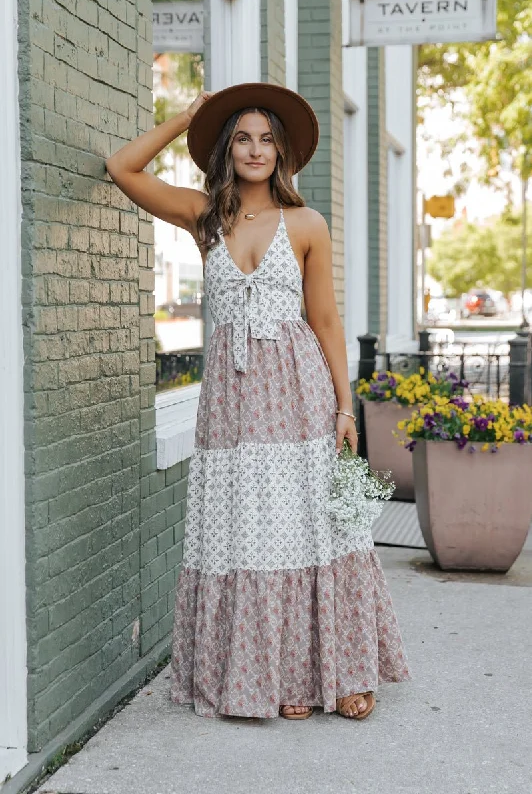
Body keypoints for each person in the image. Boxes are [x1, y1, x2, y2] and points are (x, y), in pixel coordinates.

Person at [106, 82, 410, 721]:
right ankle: (273, 677)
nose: (254, 149)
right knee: (247, 533)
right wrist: (185, 117)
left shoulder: (307, 223)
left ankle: (340, 671)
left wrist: (343, 406)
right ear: (226, 148)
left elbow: (325, 319)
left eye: (267, 139)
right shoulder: (204, 217)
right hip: (231, 402)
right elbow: (122, 168)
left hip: (296, 391)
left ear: (283, 152)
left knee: (314, 527)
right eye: (242, 137)